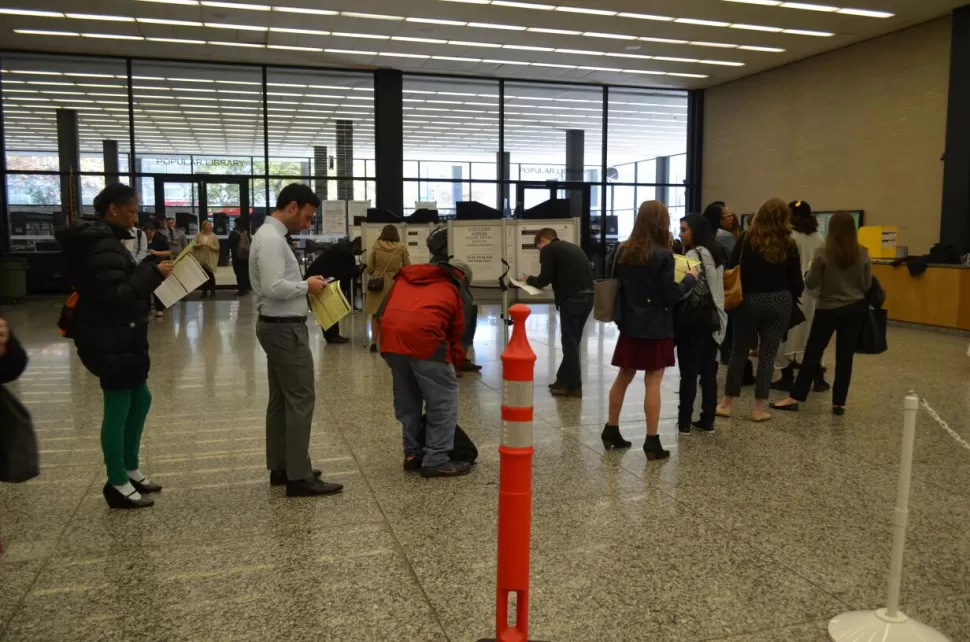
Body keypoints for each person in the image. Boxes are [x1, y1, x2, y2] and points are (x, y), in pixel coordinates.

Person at [56, 183, 174, 509]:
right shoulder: (100, 244)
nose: (136, 218)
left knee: (141, 400)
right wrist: (152, 273)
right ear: (113, 209)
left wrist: (149, 265)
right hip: (108, 338)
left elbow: (120, 278)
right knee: (119, 408)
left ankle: (130, 467)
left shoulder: (107, 242)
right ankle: (117, 481)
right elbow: (113, 294)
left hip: (123, 335)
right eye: (133, 210)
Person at [249, 184, 342, 497]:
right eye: (306, 216)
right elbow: (275, 286)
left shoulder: (268, 236)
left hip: (275, 326)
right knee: (301, 398)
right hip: (284, 329)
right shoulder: (272, 240)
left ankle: (283, 466)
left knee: (281, 400)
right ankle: (299, 477)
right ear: (291, 207)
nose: (307, 223)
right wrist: (308, 285)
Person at [602, 201, 698, 460]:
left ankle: (611, 429)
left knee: (624, 375)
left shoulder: (624, 249)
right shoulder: (663, 255)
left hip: (629, 324)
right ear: (661, 222)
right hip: (656, 325)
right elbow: (669, 296)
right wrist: (689, 280)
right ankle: (652, 441)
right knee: (653, 381)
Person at [771, 211, 872, 416]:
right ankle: (838, 403)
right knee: (845, 357)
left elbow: (811, 282)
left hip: (828, 308)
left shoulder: (823, 252)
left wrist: (809, 272)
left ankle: (795, 397)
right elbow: (867, 283)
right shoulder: (863, 252)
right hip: (855, 309)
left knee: (813, 353)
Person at [377, 261, 471, 478]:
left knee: (407, 398)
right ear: (461, 278)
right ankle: (437, 459)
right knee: (442, 401)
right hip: (426, 339)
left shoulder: (403, 280)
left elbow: (381, 312)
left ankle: (412, 454)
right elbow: (458, 332)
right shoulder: (453, 288)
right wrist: (453, 363)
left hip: (391, 341)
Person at [716, 198, 804, 422]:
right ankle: (758, 409)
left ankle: (727, 404)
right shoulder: (789, 243)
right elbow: (796, 281)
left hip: (748, 300)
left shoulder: (746, 238)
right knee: (767, 355)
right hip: (779, 300)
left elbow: (731, 267)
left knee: (739, 352)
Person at [523, 228, 595, 397]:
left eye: (538, 247)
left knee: (569, 342)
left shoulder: (549, 249)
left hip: (571, 299)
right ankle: (562, 379)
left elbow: (544, 279)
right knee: (573, 342)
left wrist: (529, 280)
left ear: (541, 241)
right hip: (589, 298)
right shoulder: (573, 247)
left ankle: (574, 387)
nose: (540, 251)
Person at [676, 215, 727, 434]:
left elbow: (684, 290)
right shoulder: (717, 253)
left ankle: (685, 422)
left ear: (695, 231)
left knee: (688, 373)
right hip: (714, 318)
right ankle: (708, 420)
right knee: (708, 372)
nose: (681, 234)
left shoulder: (692, 254)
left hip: (693, 320)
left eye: (684, 229)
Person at [772, 200, 829, 392]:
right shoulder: (819, 237)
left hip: (792, 291)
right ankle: (817, 376)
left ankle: (787, 376)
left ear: (793, 216)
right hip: (814, 293)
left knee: (785, 333)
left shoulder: (789, 237)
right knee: (812, 334)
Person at [427, 224, 482, 373]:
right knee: (460, 324)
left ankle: (457, 359)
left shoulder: (436, 262)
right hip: (456, 296)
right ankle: (454, 360)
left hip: (453, 296)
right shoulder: (450, 264)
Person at [305, 237, 361, 344]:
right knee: (328, 309)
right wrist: (356, 270)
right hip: (320, 279)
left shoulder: (344, 248)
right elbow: (342, 272)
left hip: (321, 277)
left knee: (330, 309)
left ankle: (334, 335)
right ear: (358, 245)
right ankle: (331, 336)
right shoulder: (346, 252)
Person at [365, 225, 410, 353]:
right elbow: (407, 267)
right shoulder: (401, 248)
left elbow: (369, 267)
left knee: (375, 314)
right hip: (394, 283)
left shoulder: (376, 246)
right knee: (391, 313)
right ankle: (389, 343)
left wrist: (376, 274)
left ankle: (374, 342)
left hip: (378, 282)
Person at [144, 223, 172, 318]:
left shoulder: (161, 240)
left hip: (158, 265)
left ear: (154, 232)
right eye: (146, 233)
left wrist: (156, 253)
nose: (148, 235)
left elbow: (168, 252)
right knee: (145, 289)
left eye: (150, 233)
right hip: (145, 265)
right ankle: (146, 309)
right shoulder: (141, 240)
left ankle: (159, 309)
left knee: (158, 288)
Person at [193, 220, 220, 298]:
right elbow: (194, 244)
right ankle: (204, 292)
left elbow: (217, 247)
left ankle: (212, 292)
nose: (209, 227)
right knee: (203, 276)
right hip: (201, 258)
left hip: (210, 258)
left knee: (211, 275)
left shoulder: (214, 236)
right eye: (207, 225)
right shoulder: (199, 235)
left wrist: (210, 246)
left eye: (210, 225)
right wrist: (199, 245)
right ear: (203, 226)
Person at [227, 218, 252, 296]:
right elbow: (250, 242)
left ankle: (241, 290)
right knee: (245, 272)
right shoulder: (246, 232)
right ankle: (246, 288)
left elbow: (229, 244)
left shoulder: (233, 233)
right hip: (246, 256)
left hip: (237, 256)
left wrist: (226, 253)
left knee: (238, 273)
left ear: (236, 223)